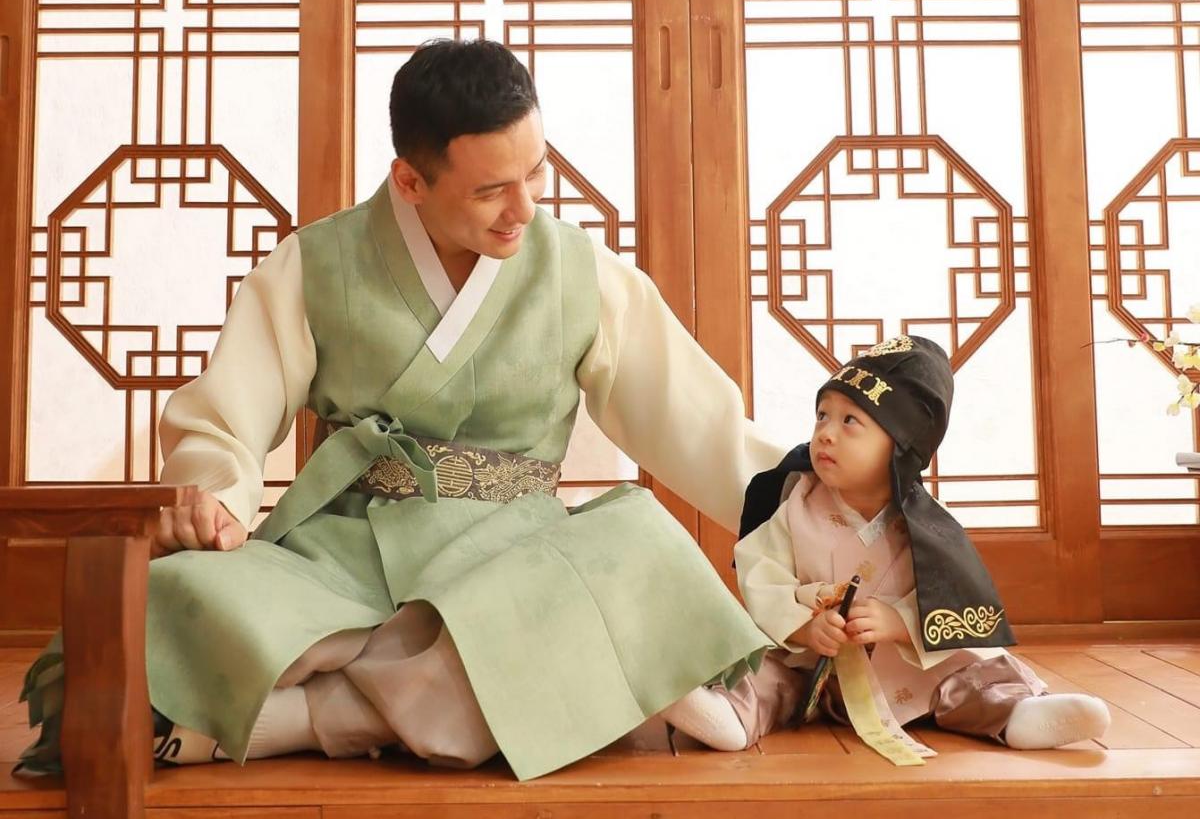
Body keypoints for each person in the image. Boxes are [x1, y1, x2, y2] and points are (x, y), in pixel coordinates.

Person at [19, 39, 780, 780]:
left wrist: (816, 512)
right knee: (150, 611)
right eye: (490, 190)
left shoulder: (581, 273)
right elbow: (225, 417)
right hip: (343, 558)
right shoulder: (316, 263)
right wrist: (213, 502)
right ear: (410, 181)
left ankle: (292, 717)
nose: (525, 209)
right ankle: (424, 692)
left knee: (644, 541)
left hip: (514, 561)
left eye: (537, 173)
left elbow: (701, 425)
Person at [699, 336, 1111, 752]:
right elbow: (762, 574)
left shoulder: (924, 519)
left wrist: (899, 623)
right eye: (822, 415)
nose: (825, 433)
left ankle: (1020, 716)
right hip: (811, 665)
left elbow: (951, 593)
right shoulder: (796, 502)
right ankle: (727, 718)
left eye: (849, 422)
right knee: (763, 676)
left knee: (970, 677)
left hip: (907, 668)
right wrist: (805, 627)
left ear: (898, 444)